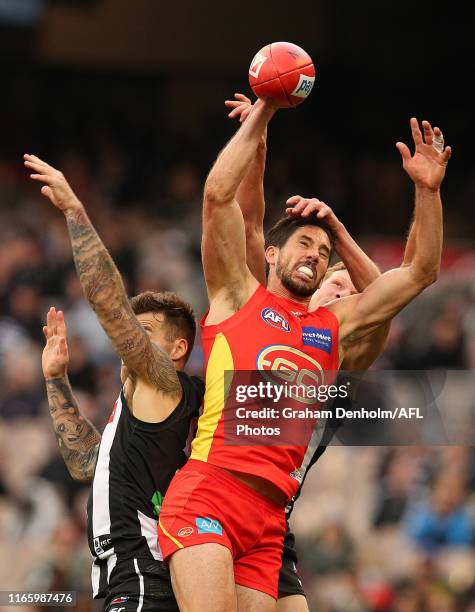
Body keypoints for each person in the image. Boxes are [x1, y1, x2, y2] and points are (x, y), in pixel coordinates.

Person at [157, 95, 451, 611]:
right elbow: (219, 197)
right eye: (304, 244)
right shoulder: (237, 297)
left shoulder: (333, 326)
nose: (315, 256)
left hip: (270, 519)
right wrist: (265, 115)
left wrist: (427, 191)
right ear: (271, 253)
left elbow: (420, 272)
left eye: (323, 252)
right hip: (212, 490)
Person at [27, 154, 203, 612]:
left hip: (144, 575)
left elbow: (109, 306)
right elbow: (85, 462)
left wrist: (75, 213)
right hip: (120, 575)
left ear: (177, 349)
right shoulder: (141, 402)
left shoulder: (166, 384)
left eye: (143, 333)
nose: (129, 339)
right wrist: (56, 380)